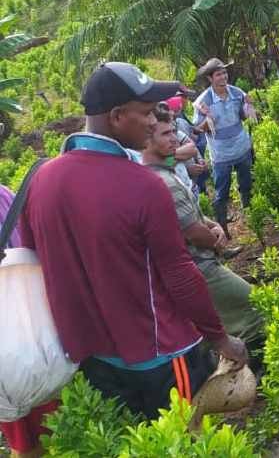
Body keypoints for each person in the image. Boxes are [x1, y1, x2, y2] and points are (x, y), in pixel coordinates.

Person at [17, 62, 248, 420]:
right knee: (182, 438)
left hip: (90, 361)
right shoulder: (143, 186)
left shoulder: (40, 180)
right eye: (145, 114)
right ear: (117, 116)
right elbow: (180, 275)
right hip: (159, 357)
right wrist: (220, 339)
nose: (154, 123)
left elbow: (36, 265)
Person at [142, 103, 265, 366]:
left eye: (174, 131)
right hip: (200, 267)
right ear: (146, 140)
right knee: (256, 306)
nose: (174, 137)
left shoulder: (165, 172)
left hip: (200, 264)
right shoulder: (161, 182)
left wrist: (214, 226)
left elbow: (193, 215)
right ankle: (258, 373)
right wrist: (215, 241)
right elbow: (192, 231)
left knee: (217, 320)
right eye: (165, 134)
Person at [0, 183, 58, 458]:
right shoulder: (6, 194)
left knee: (28, 436)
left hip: (23, 332)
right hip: (31, 331)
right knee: (37, 432)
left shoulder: (5, 194)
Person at [193, 58, 257, 239]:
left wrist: (249, 106)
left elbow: (243, 117)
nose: (223, 77)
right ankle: (223, 229)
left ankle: (251, 218)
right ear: (210, 79)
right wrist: (208, 119)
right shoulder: (202, 102)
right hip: (221, 155)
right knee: (222, 192)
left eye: (224, 73)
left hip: (241, 148)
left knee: (246, 184)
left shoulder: (237, 93)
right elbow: (197, 129)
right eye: (218, 74)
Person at [169, 92, 209, 196]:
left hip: (191, 183)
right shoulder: (153, 140)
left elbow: (191, 145)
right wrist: (187, 169)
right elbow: (162, 161)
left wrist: (199, 159)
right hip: (179, 188)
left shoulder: (179, 124)